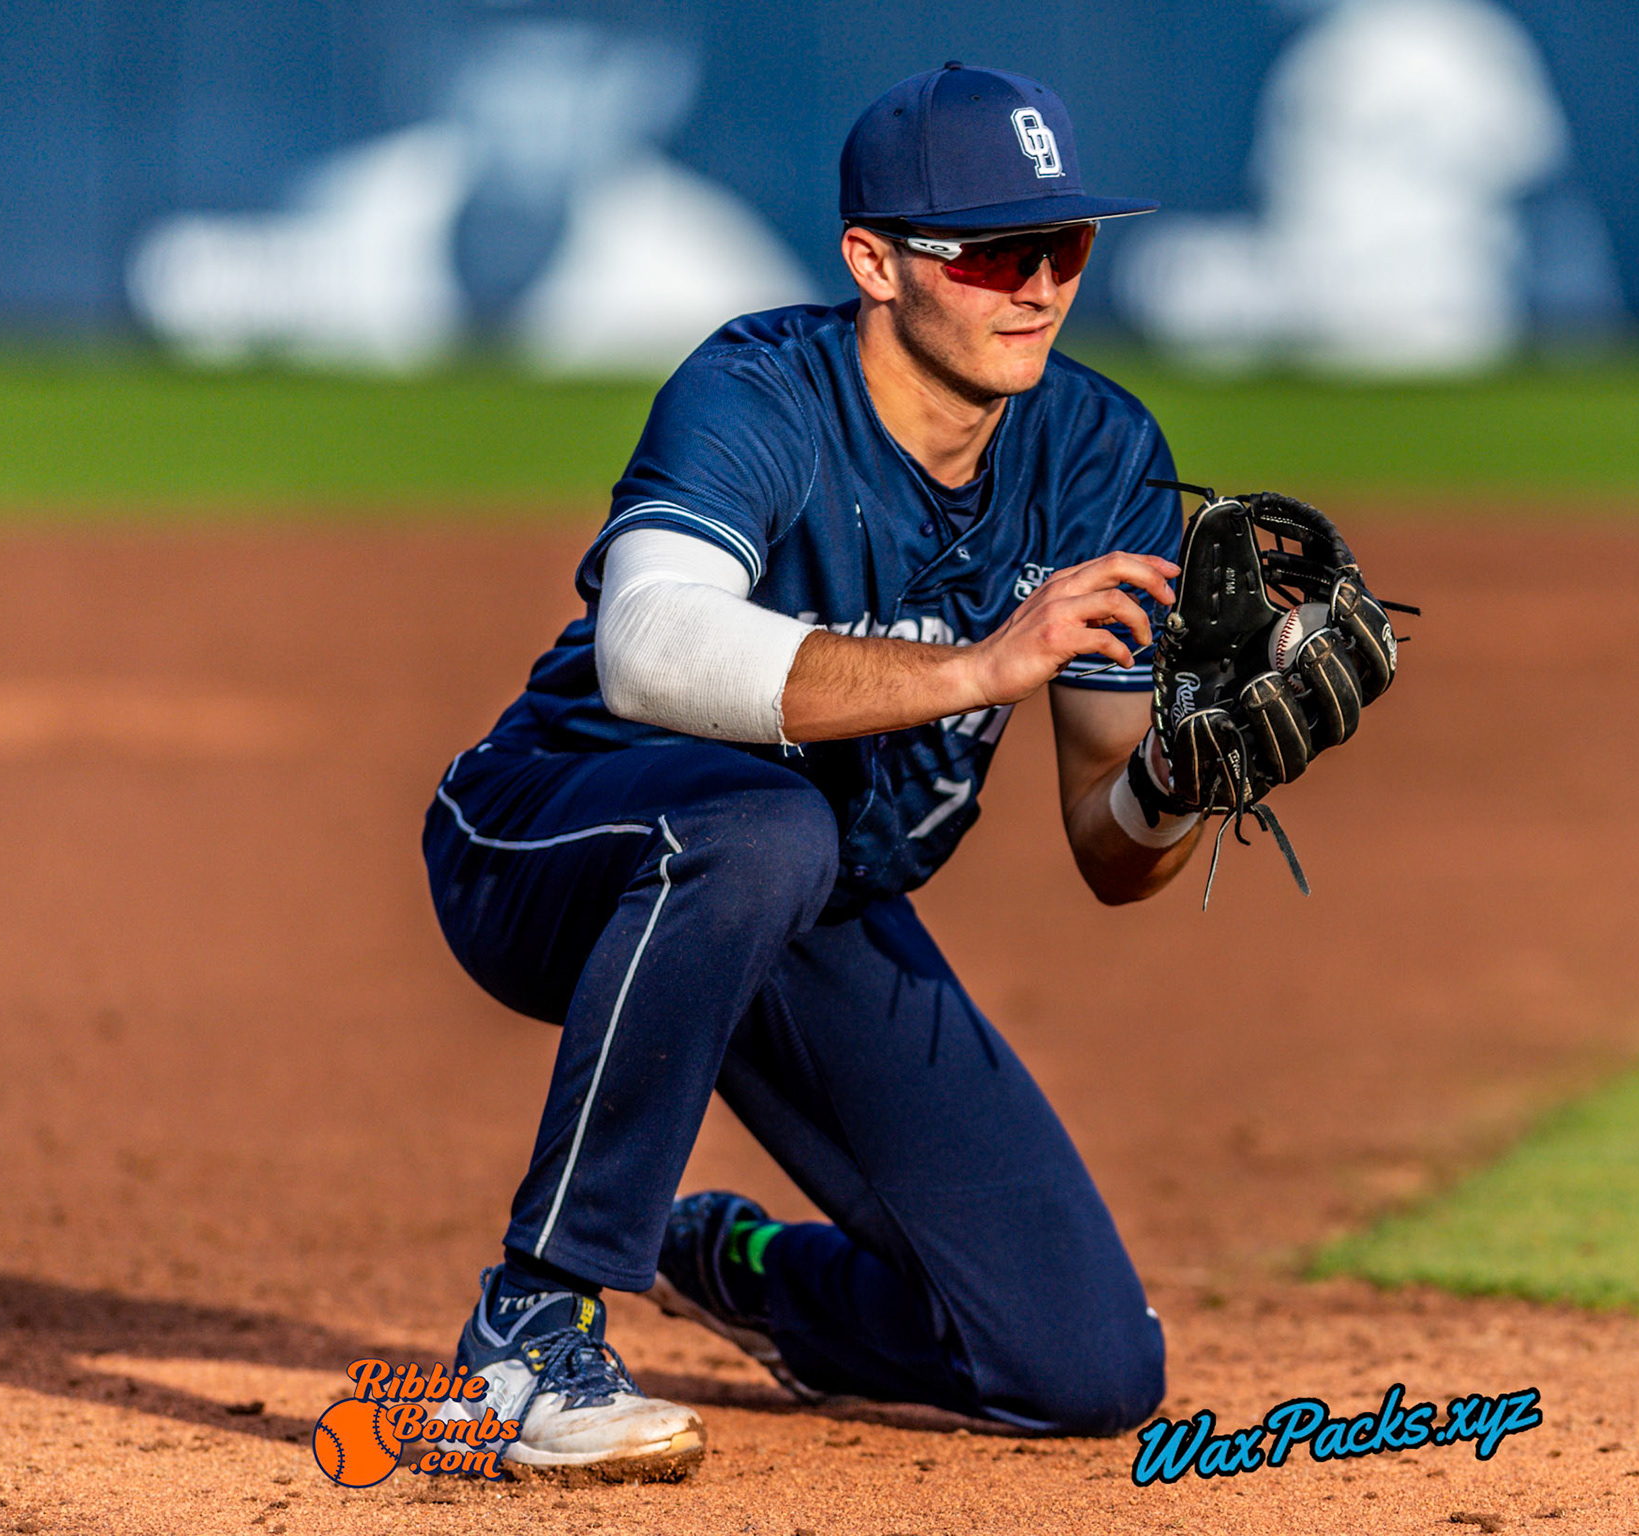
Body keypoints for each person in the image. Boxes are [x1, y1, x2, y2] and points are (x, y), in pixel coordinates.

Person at [422, 62, 1209, 1478]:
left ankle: (737, 1269)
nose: (1037, 284)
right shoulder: (758, 389)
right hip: (555, 836)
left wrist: (1182, 780)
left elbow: (1111, 848)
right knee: (766, 829)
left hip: (808, 898)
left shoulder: (1098, 451)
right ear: (875, 262)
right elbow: (648, 653)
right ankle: (527, 1333)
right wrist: (976, 668)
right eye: (989, 249)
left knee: (1083, 1367)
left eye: (1066, 246)